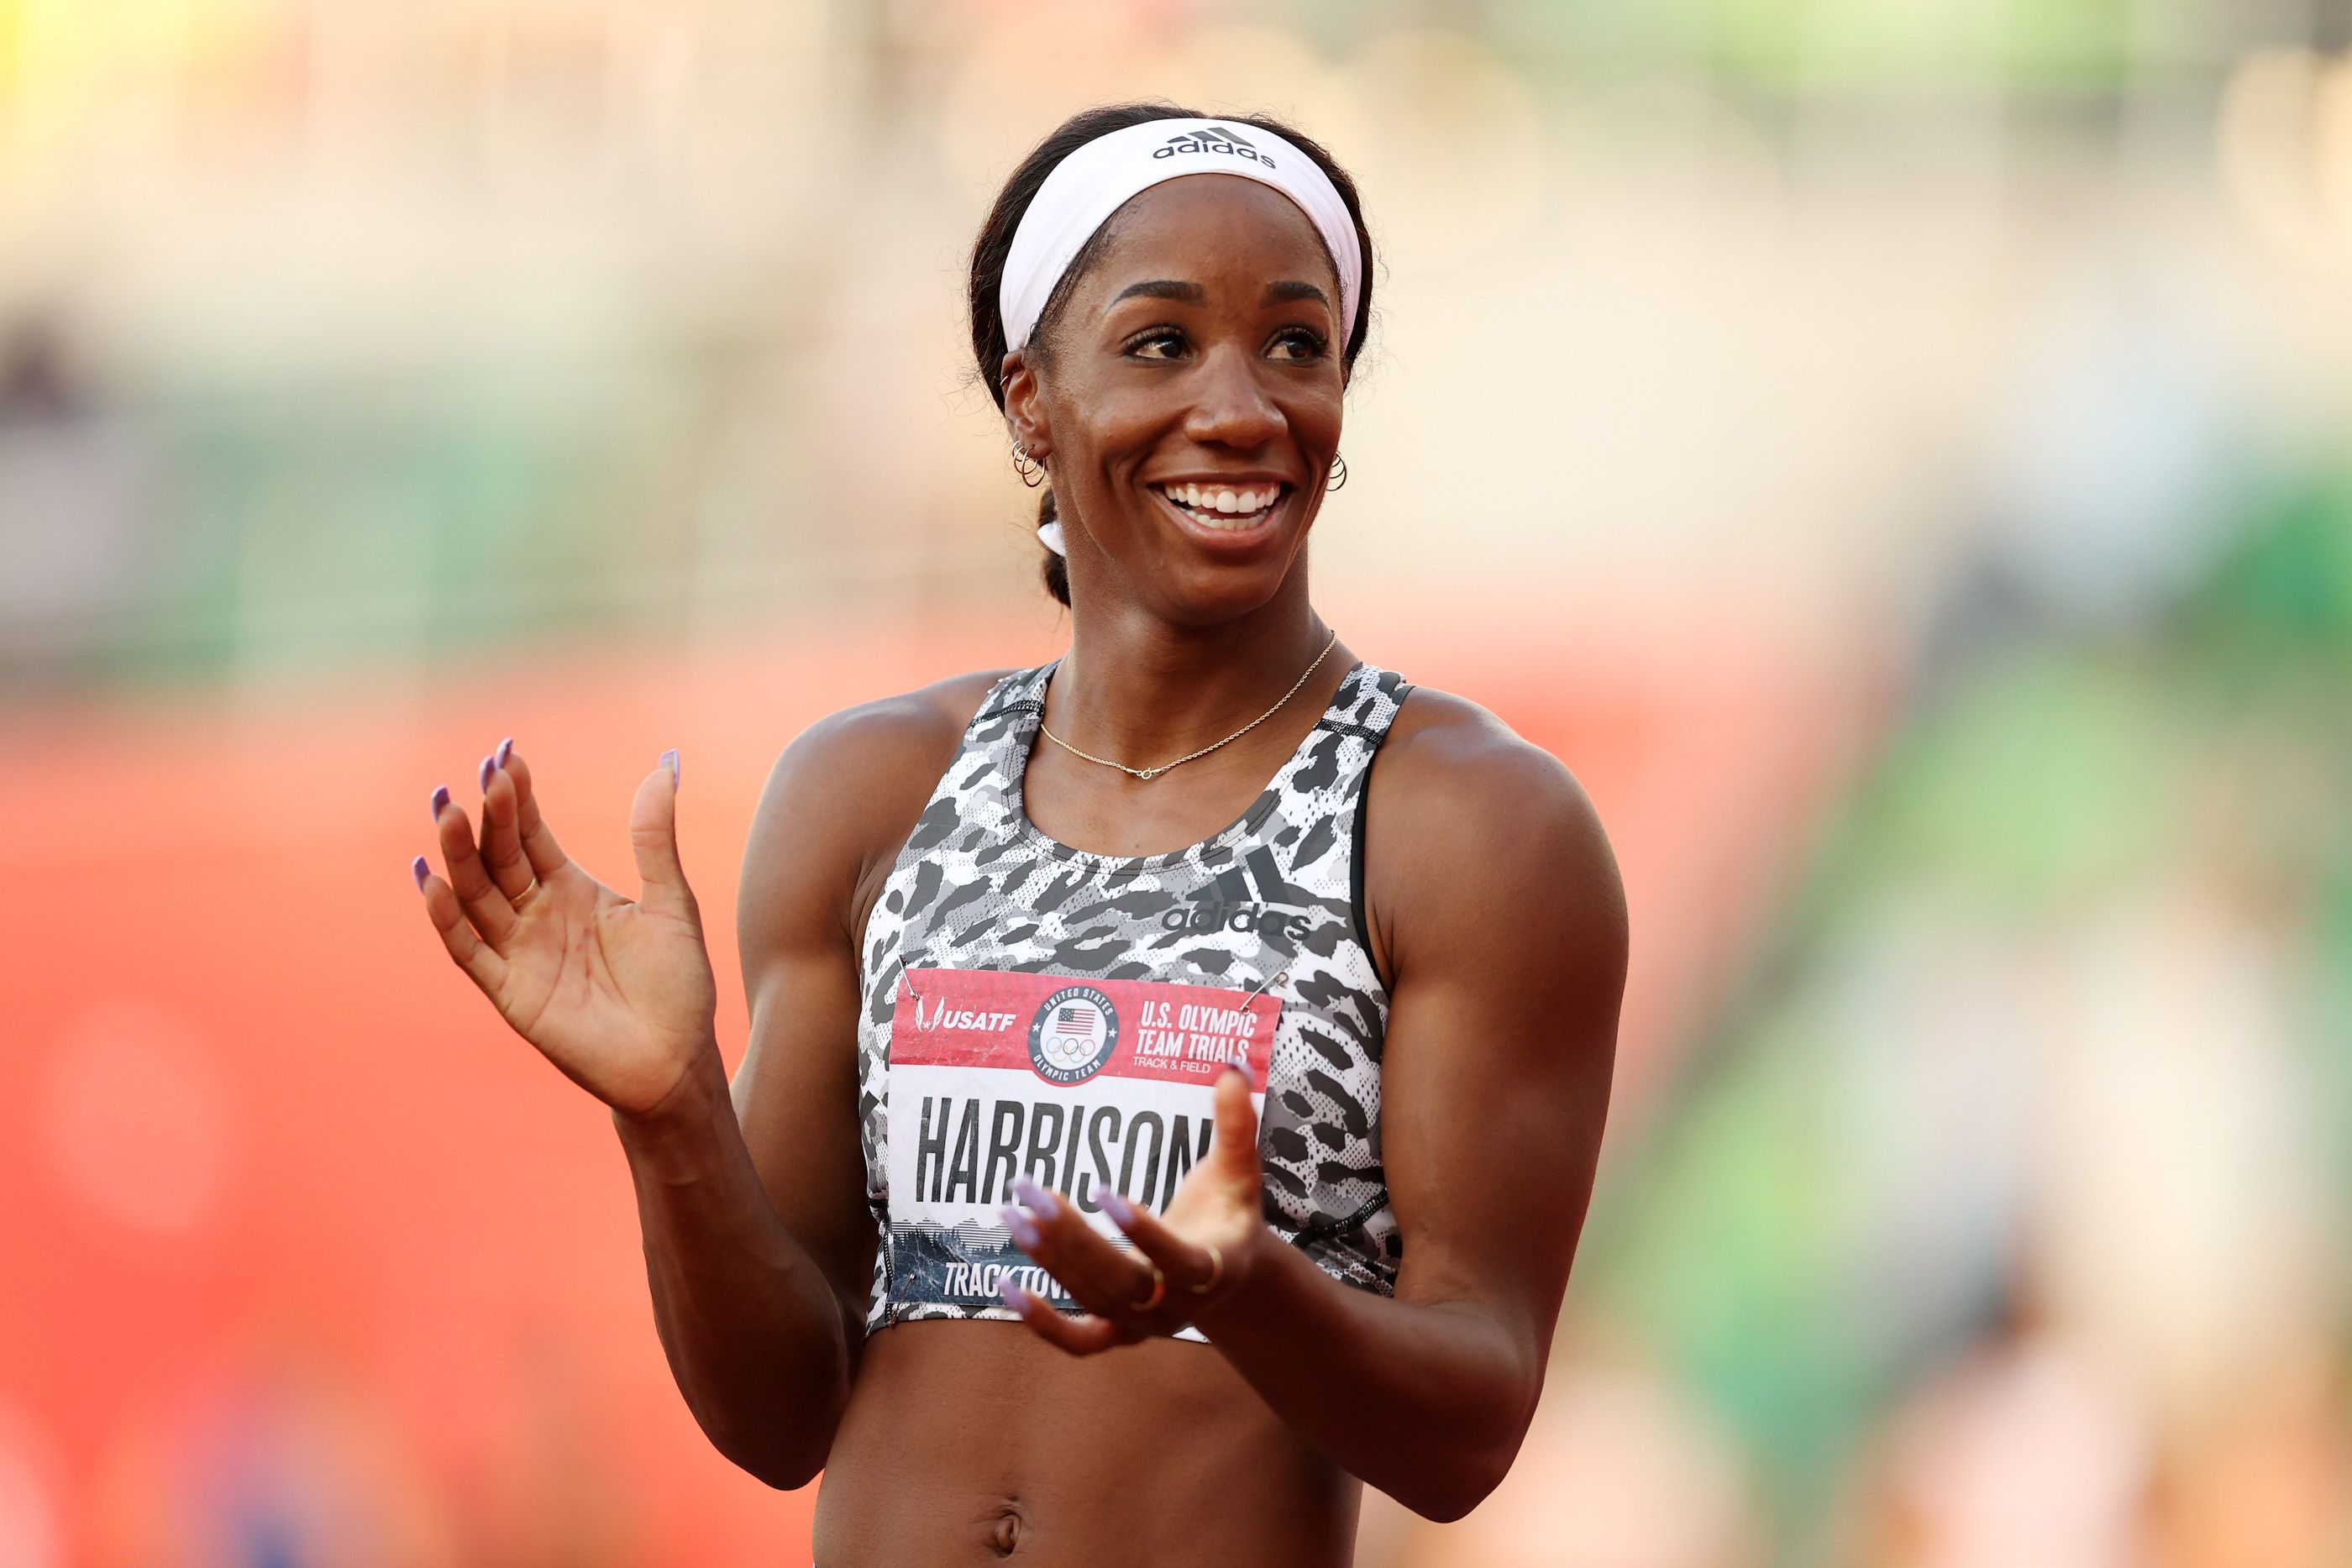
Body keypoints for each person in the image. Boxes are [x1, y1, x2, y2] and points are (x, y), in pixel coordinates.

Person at [412, 102, 1627, 1566]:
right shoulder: (869, 797)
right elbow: (782, 1418)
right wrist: (670, 1114)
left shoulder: (1463, 822)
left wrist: (1246, 1294)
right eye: (1162, 343)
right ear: (1029, 402)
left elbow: (1470, 1426)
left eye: (1297, 344)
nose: (1242, 406)